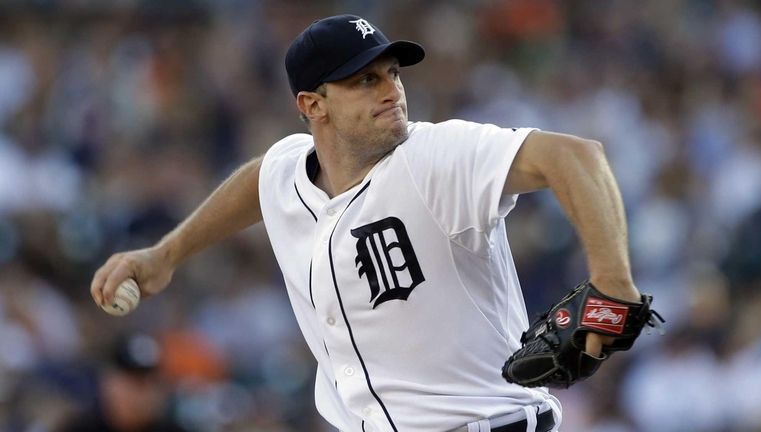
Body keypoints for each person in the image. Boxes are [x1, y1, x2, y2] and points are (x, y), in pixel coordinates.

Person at [91, 14, 642, 432]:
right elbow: (257, 183)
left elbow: (577, 157)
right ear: (313, 104)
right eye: (363, 80)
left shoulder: (434, 158)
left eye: (392, 73)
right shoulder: (289, 170)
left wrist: (613, 285)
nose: (390, 90)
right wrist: (165, 254)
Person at [57, 332, 187, 432]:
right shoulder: (79, 428)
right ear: (108, 381)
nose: (139, 395)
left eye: (148, 384)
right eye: (132, 382)